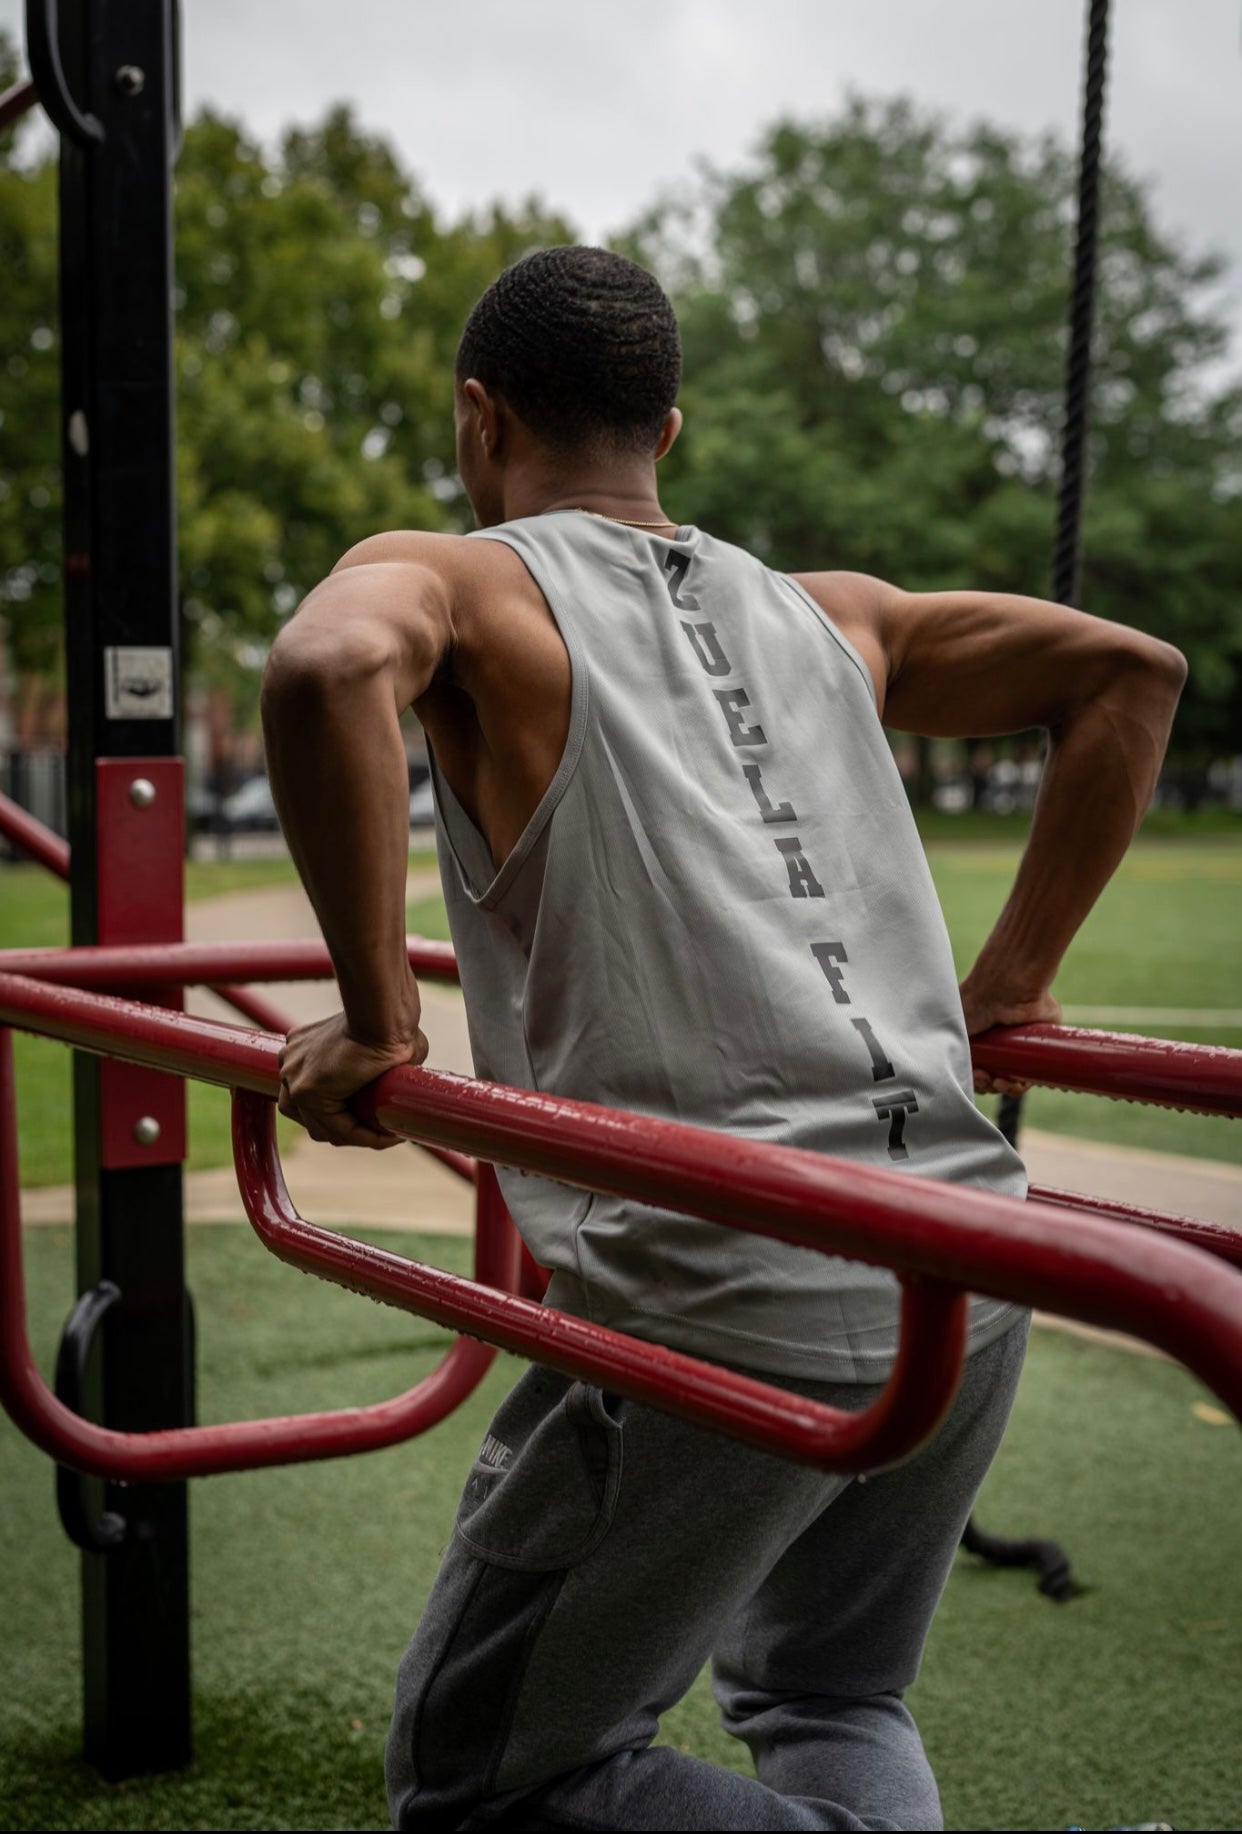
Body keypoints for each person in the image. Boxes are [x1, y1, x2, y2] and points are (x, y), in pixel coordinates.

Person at [263, 246, 1186, 1831]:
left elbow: (327, 660)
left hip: (728, 1300)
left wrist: (376, 1014)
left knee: (486, 1782)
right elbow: (1127, 672)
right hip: (967, 1264)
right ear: (667, 431)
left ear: (481, 419)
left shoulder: (467, 578)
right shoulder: (831, 613)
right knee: (827, 1692)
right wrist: (1008, 982)